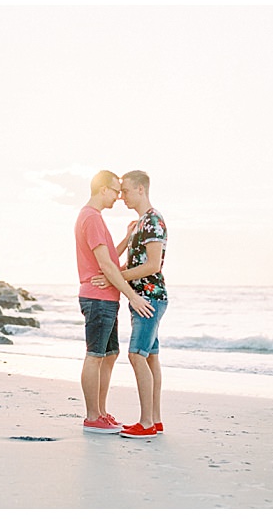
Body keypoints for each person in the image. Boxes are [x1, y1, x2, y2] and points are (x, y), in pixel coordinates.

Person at [75, 170, 154, 434]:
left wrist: (128, 238)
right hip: (97, 298)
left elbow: (109, 257)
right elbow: (107, 266)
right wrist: (132, 295)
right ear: (103, 189)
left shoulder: (93, 218)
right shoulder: (92, 218)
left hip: (105, 298)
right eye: (115, 190)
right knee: (95, 355)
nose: (119, 197)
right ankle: (92, 416)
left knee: (109, 355)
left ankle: (100, 412)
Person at [93, 170, 168, 439]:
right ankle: (155, 421)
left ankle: (146, 423)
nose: (121, 196)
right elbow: (135, 263)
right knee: (150, 358)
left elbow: (152, 265)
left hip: (149, 299)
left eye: (125, 191)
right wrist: (114, 276)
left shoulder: (153, 221)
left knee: (136, 355)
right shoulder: (139, 223)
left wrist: (117, 277)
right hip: (141, 299)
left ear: (140, 190)